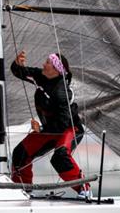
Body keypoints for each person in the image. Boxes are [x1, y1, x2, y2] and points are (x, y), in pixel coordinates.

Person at [9, 50, 89, 198]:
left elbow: (63, 123)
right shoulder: (41, 76)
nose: (43, 64)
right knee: (20, 153)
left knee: (60, 157)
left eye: (47, 62)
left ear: (56, 70)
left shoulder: (61, 92)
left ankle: (84, 189)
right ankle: (22, 189)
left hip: (70, 128)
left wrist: (41, 128)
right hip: (52, 129)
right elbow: (19, 72)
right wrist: (17, 64)